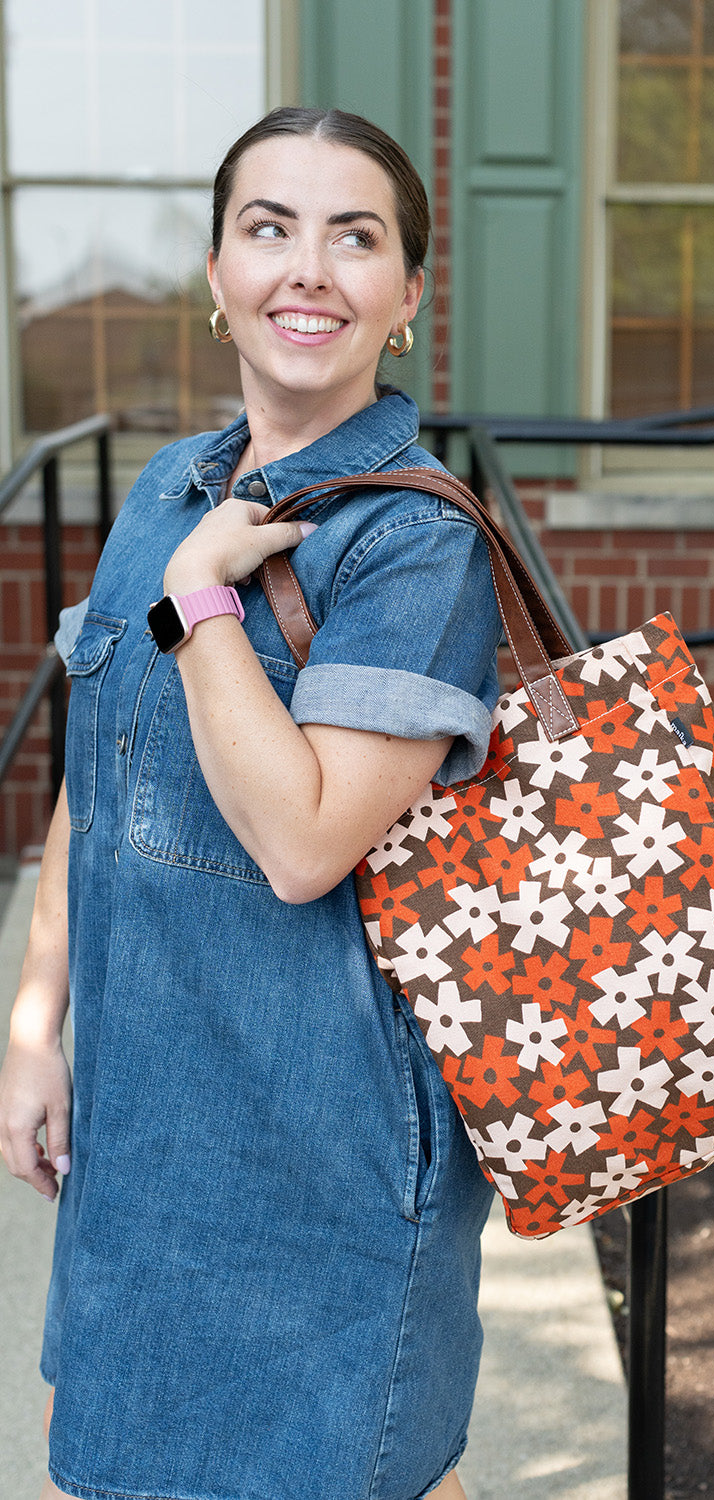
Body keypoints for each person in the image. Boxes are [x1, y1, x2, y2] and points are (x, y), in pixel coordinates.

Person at [0, 106, 502, 1500]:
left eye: (358, 237)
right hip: (146, 1144)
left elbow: (303, 839)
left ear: (408, 297)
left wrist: (205, 600)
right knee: (103, 1464)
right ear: (214, 275)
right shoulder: (169, 491)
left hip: (317, 1162)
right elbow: (95, 778)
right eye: (269, 228)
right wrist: (36, 1030)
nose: (309, 270)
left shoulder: (413, 540)